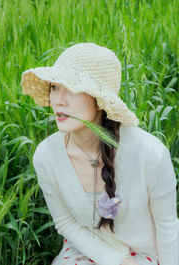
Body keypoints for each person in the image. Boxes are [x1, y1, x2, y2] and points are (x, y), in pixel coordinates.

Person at [21, 43, 179, 265]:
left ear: (100, 101)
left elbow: (167, 226)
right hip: (86, 251)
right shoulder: (46, 156)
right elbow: (66, 223)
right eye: (55, 87)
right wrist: (117, 261)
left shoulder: (150, 154)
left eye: (72, 89)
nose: (59, 100)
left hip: (146, 255)